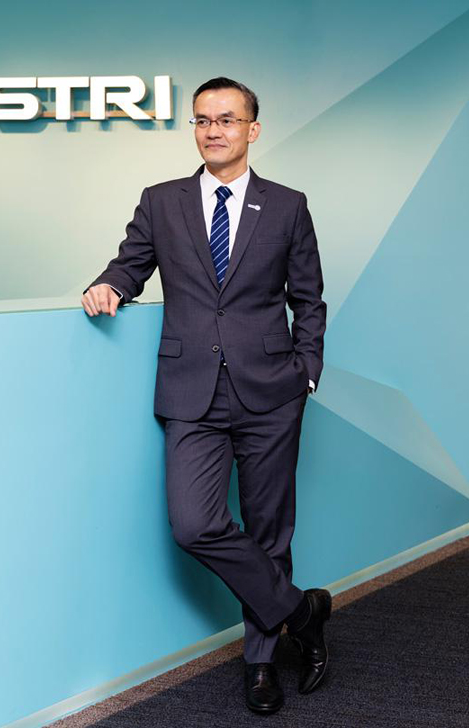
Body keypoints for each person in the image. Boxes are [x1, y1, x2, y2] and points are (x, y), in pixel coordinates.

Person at [81, 76, 330, 715]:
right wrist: (109, 284)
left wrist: (306, 372)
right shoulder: (161, 201)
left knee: (270, 530)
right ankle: (301, 613)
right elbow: (131, 264)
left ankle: (261, 663)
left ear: (252, 129)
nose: (212, 130)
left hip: (271, 392)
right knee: (194, 524)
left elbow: (309, 299)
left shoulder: (287, 206)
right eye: (201, 120)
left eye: (226, 119)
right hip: (191, 391)